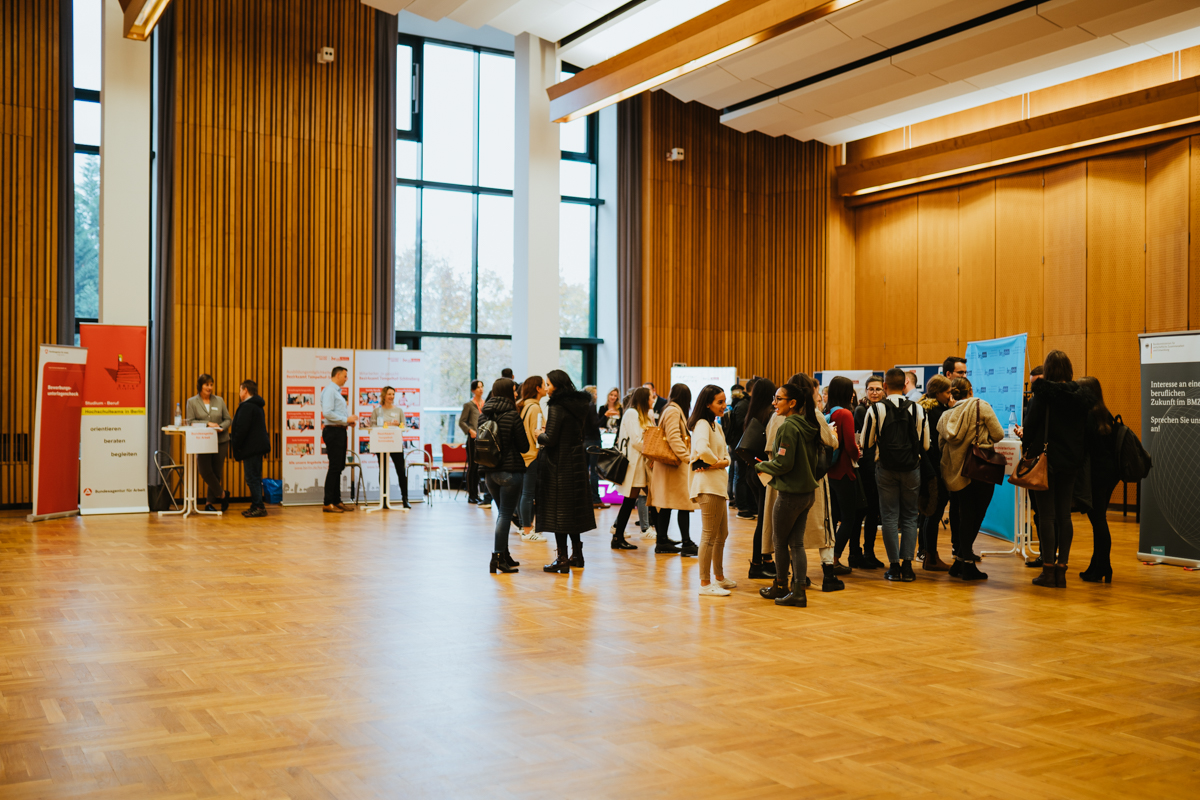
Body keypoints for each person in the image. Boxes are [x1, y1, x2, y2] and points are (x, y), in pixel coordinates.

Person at [1017, 350, 1092, 589]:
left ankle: (1048, 570)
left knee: (1047, 516)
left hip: (1045, 461)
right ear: (1069, 370)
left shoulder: (1042, 395)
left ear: (1048, 370)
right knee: (1064, 516)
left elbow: (1029, 430)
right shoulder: (1081, 396)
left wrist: (1026, 442)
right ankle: (1062, 569)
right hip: (1071, 462)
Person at [861, 368, 930, 582]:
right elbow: (926, 445)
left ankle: (894, 567)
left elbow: (866, 443)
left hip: (886, 470)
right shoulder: (918, 410)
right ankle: (908, 567)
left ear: (885, 387)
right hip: (911, 469)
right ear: (906, 385)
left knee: (889, 517)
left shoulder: (875, 410)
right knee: (910, 517)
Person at [755, 383, 821, 607]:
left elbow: (783, 463)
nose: (774, 403)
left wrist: (761, 466)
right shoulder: (808, 424)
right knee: (797, 543)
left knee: (780, 542)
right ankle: (798, 591)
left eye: (779, 399)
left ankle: (780, 585)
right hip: (807, 494)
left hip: (791, 495)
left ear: (792, 403)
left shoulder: (788, 427)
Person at [938, 377, 1004, 580]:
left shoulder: (945, 415)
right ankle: (967, 563)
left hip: (955, 471)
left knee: (964, 514)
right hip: (978, 469)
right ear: (971, 390)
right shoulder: (980, 406)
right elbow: (999, 434)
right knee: (976, 515)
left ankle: (959, 561)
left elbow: (941, 444)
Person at [536, 370, 597, 572]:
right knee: (573, 512)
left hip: (559, 464)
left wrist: (539, 434)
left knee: (558, 513)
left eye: (548, 384)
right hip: (577, 462)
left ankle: (561, 558)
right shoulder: (581, 405)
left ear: (557, 385)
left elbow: (551, 439)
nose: (546, 388)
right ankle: (577, 555)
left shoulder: (556, 405)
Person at [480, 378, 529, 575]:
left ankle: (504, 554)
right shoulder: (512, 415)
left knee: (503, 514)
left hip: (490, 473)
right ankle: (498, 557)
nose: (517, 394)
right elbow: (524, 446)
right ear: (508, 392)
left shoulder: (483, 416)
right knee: (506, 515)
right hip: (510, 472)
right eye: (515, 391)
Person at [689, 384, 734, 596]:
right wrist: (718, 462)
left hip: (718, 485)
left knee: (722, 533)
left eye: (724, 401)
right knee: (709, 535)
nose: (724, 405)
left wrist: (722, 462)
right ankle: (705, 583)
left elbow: (728, 455)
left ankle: (719, 576)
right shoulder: (701, 424)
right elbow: (701, 448)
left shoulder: (716, 425)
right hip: (707, 486)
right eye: (720, 402)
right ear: (708, 404)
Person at [649, 384, 698, 557]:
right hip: (674, 464)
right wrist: (687, 458)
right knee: (682, 503)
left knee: (668, 503)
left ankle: (662, 540)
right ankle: (685, 542)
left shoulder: (670, 409)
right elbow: (673, 437)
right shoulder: (673, 411)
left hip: (670, 465)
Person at [1077, 376, 1118, 583]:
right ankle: (1099, 565)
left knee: (1098, 520)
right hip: (1109, 474)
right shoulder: (1104, 413)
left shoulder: (1087, 416)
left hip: (1096, 475)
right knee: (1099, 519)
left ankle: (1102, 566)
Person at [826, 377, 864, 569]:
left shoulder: (828, 412)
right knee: (850, 518)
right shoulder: (845, 414)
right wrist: (859, 453)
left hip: (829, 471)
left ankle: (828, 558)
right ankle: (835, 558)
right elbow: (850, 446)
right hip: (844, 471)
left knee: (832, 518)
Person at [917, 374, 953, 570]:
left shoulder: (922, 408)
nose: (950, 396)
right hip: (936, 467)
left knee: (929, 512)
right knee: (935, 511)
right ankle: (931, 556)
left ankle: (928, 554)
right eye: (947, 392)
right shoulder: (939, 412)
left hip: (925, 467)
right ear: (938, 393)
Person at [611, 388, 654, 550]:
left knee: (640, 499)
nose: (653, 400)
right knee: (630, 500)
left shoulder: (642, 414)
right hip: (633, 464)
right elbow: (637, 440)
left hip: (641, 464)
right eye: (651, 397)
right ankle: (617, 536)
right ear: (644, 399)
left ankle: (618, 535)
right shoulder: (632, 414)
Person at [742, 378, 777, 576]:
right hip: (763, 472)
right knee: (765, 520)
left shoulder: (752, 414)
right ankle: (756, 564)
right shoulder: (771, 415)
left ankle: (766, 560)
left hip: (753, 471)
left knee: (764, 518)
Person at [185, 374, 233, 512]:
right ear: (200, 386)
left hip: (221, 440)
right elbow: (191, 421)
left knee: (216, 472)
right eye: (207, 385)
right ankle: (223, 495)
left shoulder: (219, 400)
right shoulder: (192, 402)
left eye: (211, 385)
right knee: (205, 471)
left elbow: (228, 419)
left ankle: (208, 503)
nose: (210, 387)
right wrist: (208, 424)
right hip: (203, 441)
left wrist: (220, 427)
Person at [853, 376, 886, 569]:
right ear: (865, 391)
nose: (874, 392)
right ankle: (856, 553)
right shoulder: (860, 410)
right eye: (871, 389)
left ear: (884, 390)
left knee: (874, 513)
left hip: (879, 467)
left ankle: (869, 552)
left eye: (878, 389)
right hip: (864, 468)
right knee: (861, 512)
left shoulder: (885, 409)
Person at [366, 386, 411, 510]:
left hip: (395, 444)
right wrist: (388, 424)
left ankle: (405, 499)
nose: (391, 396)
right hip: (381, 444)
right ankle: (384, 500)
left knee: (401, 471)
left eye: (393, 394)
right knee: (383, 471)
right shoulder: (377, 411)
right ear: (384, 395)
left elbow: (404, 426)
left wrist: (398, 424)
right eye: (389, 394)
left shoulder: (399, 410)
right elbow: (373, 426)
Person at [230, 379, 269, 518]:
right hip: (256, 448)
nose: (239, 393)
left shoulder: (247, 406)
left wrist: (237, 444)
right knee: (255, 477)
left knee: (251, 478)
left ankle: (259, 506)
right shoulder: (257, 405)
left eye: (240, 390)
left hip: (251, 448)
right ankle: (255, 504)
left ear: (245, 390)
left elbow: (242, 429)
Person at [320, 366, 356, 512]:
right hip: (333, 431)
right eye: (345, 376)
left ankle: (336, 500)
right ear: (338, 375)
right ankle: (327, 502)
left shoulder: (336, 392)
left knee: (339, 467)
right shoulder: (330, 390)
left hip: (339, 430)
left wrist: (347, 422)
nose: (347, 379)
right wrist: (345, 419)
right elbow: (327, 413)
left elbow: (333, 413)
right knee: (335, 467)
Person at [516, 376, 546, 541]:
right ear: (537, 388)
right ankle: (528, 530)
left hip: (524, 455)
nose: (546, 387)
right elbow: (538, 434)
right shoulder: (534, 408)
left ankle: (525, 527)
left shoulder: (524, 406)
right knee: (528, 493)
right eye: (543, 385)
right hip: (532, 455)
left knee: (525, 493)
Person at [1023, 364, 1046, 569]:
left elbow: (1030, 431)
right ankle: (1052, 557)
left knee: (1041, 511)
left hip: (1041, 461)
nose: (1033, 389)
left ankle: (1047, 557)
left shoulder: (1039, 401)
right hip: (1057, 460)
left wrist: (1025, 435)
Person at [459, 380, 489, 506]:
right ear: (473, 390)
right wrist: (470, 430)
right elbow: (462, 422)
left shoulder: (485, 404)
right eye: (478, 387)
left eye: (482, 387)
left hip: (484, 438)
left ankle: (478, 495)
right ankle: (472, 495)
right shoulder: (469, 405)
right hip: (473, 439)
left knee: (481, 467)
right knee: (473, 466)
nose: (480, 389)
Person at [731, 379, 756, 519]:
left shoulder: (743, 403)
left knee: (742, 475)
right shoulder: (744, 404)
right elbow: (741, 426)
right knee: (741, 476)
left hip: (740, 446)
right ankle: (743, 508)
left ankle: (747, 507)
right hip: (741, 446)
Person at [583, 385, 608, 509]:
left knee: (585, 471)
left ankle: (585, 498)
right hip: (593, 441)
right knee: (594, 471)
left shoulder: (582, 407)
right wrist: (606, 416)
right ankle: (596, 499)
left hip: (584, 441)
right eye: (596, 394)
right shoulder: (591, 406)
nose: (597, 396)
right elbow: (595, 424)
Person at [724, 383, 745, 503]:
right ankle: (732, 496)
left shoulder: (731, 407)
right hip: (735, 443)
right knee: (735, 472)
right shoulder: (734, 407)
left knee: (733, 470)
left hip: (732, 443)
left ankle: (730, 495)